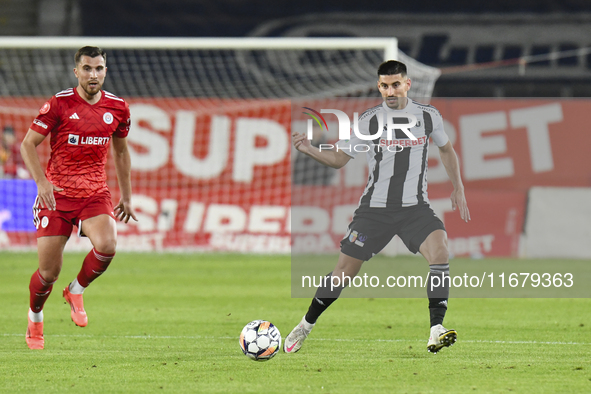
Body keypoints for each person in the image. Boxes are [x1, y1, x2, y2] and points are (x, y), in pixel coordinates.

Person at [285, 60, 470, 354]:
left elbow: (446, 150)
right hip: (375, 210)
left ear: (407, 84)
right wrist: (309, 149)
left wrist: (458, 186)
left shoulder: (428, 116)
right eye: (384, 85)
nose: (390, 91)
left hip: (415, 208)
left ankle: (436, 328)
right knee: (343, 272)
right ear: (379, 87)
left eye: (396, 84)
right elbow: (339, 159)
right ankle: (305, 325)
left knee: (440, 252)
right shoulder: (369, 120)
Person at [20, 46, 137, 349]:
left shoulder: (118, 108)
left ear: (105, 71)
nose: (93, 74)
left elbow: (121, 151)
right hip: (56, 195)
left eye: (98, 68)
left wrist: (126, 195)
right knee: (48, 273)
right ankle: (35, 318)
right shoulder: (59, 104)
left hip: (94, 192)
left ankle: (76, 290)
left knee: (108, 245)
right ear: (77, 72)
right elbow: (27, 145)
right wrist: (42, 183)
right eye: (87, 68)